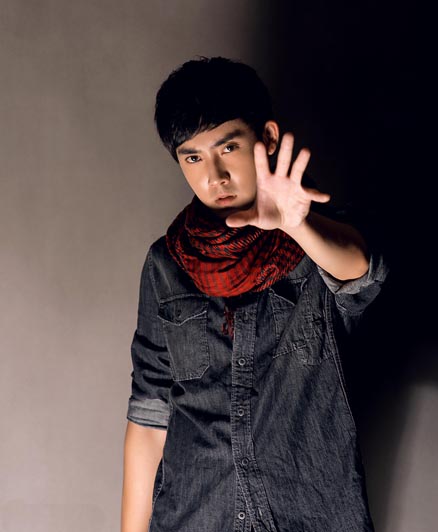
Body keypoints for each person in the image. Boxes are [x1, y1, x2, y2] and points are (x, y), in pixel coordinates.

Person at [121, 56, 388, 532]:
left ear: (266, 138)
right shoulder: (166, 264)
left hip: (309, 517)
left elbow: (360, 275)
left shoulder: (317, 240)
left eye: (228, 147)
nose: (215, 176)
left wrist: (296, 225)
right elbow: (148, 417)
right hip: (195, 517)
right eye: (193, 158)